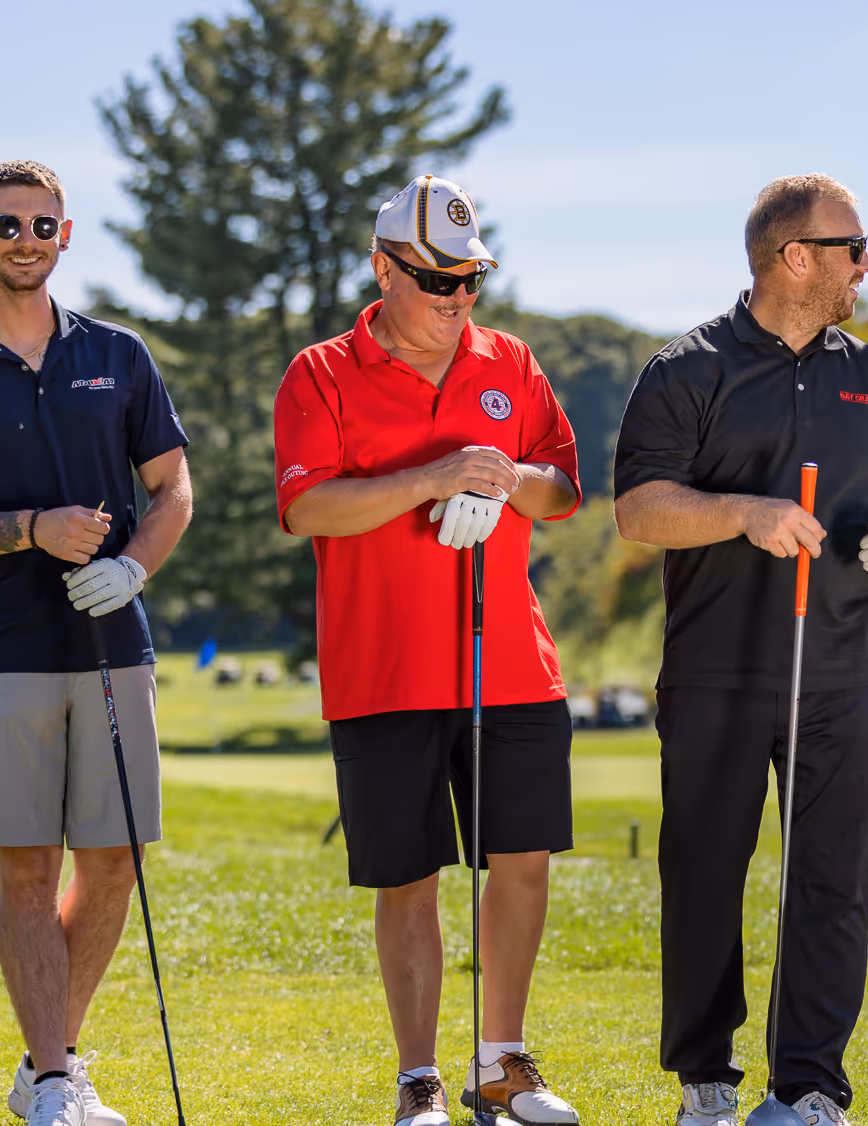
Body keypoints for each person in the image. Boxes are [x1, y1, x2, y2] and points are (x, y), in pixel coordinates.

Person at [614, 174, 868, 1126]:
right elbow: (639, 510)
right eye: (850, 250)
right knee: (705, 874)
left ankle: (809, 1087)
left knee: (830, 884)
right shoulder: (688, 369)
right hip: (716, 670)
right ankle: (707, 1080)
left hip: (841, 672)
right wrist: (743, 513)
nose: (866, 267)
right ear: (796, 259)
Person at [273, 175, 584, 1126]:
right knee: (409, 877)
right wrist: (433, 479)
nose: (456, 301)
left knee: (520, 860)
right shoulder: (321, 373)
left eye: (470, 281)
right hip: (384, 673)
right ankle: (420, 1081)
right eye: (435, 279)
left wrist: (506, 481)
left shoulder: (511, 361)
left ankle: (502, 1061)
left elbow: (565, 486)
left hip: (512, 663)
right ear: (383, 268)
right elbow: (308, 506)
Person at [0, 160, 193, 1126]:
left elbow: (173, 491)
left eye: (43, 225)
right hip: (4, 647)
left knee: (113, 860)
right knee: (28, 863)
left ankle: (44, 1065)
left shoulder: (121, 354)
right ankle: (59, 1079)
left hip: (114, 643)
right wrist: (30, 527)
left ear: (67, 236)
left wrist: (135, 568)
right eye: (8, 224)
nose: (27, 239)